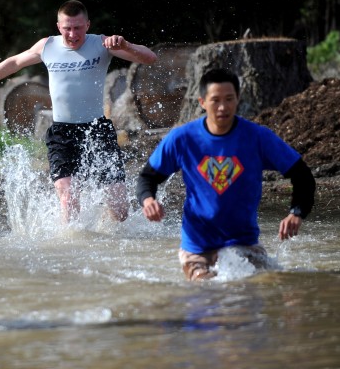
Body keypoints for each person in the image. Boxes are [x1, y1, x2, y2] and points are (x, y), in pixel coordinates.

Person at [0, 0, 158, 224]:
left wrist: (125, 45)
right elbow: (14, 62)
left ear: (87, 25)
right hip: (62, 133)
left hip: (97, 130)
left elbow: (150, 58)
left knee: (120, 211)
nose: (72, 34)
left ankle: (105, 235)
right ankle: (69, 249)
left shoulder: (102, 44)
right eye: (67, 28)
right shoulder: (47, 46)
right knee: (69, 201)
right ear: (59, 27)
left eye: (78, 27)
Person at [135, 68, 316, 281]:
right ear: (202, 102)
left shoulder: (257, 138)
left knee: (262, 286)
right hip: (197, 246)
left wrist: (296, 212)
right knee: (207, 292)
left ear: (238, 99)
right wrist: (148, 201)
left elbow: (302, 175)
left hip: (244, 243)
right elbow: (147, 178)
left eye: (229, 99)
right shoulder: (182, 139)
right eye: (215, 100)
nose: (223, 107)